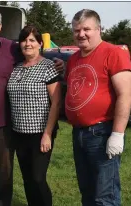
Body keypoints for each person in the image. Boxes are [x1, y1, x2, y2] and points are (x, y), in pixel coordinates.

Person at [0, 8, 64, 206]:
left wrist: (56, 63)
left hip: (4, 124)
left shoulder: (12, 48)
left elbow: (35, 55)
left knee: (5, 172)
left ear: (0, 27)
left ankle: (3, 203)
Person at [65, 9, 131, 206]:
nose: (81, 34)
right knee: (87, 190)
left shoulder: (114, 53)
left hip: (102, 132)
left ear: (99, 29)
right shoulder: (74, 58)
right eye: (77, 30)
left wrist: (117, 134)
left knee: (105, 195)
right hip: (79, 133)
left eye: (87, 29)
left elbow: (125, 94)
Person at [7, 25, 61, 206]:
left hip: (40, 132)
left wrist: (47, 133)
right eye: (24, 40)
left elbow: (56, 102)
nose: (27, 44)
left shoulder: (49, 66)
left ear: (40, 44)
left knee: (38, 178)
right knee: (28, 179)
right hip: (19, 132)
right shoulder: (16, 68)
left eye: (32, 40)